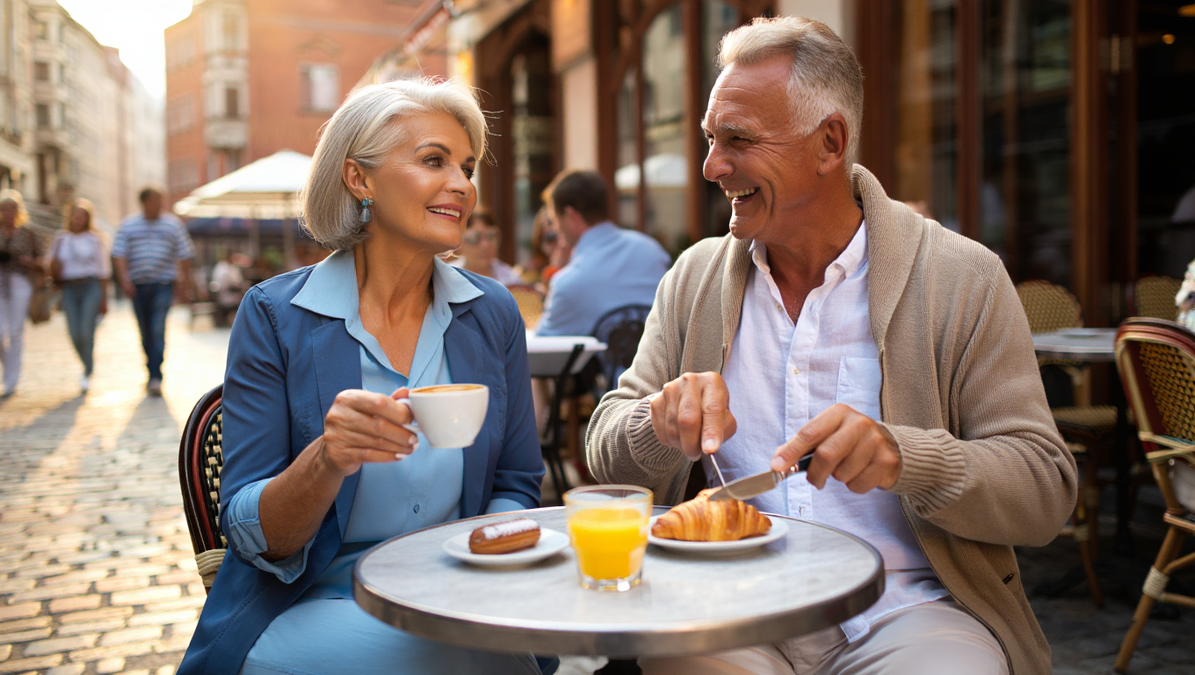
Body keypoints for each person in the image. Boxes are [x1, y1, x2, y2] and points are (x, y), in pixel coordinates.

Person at [587, 17, 1075, 675]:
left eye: (737, 140)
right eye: (709, 139)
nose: (710, 166)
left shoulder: (963, 276)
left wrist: (905, 456)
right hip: (729, 605)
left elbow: (1044, 489)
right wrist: (656, 422)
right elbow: (605, 454)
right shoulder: (693, 277)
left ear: (828, 142)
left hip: (907, 609)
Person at [179, 79, 549, 675]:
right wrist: (328, 457)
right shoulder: (276, 316)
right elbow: (253, 533)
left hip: (457, 594)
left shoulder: (492, 311)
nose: (462, 184)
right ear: (359, 179)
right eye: (434, 160)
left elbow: (516, 480)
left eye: (467, 166)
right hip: (307, 602)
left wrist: (489, 568)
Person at [534, 170, 671, 336]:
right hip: (660, 360)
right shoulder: (653, 251)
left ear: (570, 216)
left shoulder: (569, 282)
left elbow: (542, 346)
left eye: (555, 219)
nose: (555, 229)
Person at [111, 186, 194, 396]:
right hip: (137, 285)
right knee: (145, 330)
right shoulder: (129, 225)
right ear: (145, 202)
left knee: (157, 328)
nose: (160, 205)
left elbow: (185, 254)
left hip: (163, 284)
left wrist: (183, 283)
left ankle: (156, 375)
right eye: (156, 201)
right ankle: (151, 369)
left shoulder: (172, 224)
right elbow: (119, 254)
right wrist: (124, 280)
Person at [49, 199, 109, 393]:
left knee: (86, 331)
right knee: (74, 333)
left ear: (87, 218)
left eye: (82, 216)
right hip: (69, 287)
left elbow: (103, 269)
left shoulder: (94, 238)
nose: (78, 219)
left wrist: (104, 298)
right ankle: (86, 363)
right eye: (76, 215)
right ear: (71, 216)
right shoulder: (61, 239)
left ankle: (87, 370)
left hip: (90, 286)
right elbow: (51, 264)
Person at [0, 190, 45, 397]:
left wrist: (30, 262)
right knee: (1, 333)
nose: (9, 213)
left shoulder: (29, 234)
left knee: (16, 331)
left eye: (12, 209)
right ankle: (7, 370)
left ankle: (12, 379)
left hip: (20, 282)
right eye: (5, 209)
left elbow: (42, 262)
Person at [458, 208, 523, 286]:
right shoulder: (448, 278)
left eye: (490, 236)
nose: (485, 245)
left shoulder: (511, 280)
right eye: (475, 238)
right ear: (459, 242)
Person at [209, 249, 246, 327]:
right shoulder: (222, 268)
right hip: (226, 296)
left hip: (228, 295)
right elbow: (235, 284)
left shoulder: (231, 268)